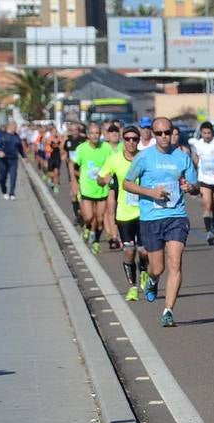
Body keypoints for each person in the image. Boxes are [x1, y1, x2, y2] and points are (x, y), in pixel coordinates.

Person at [122, 116, 200, 327]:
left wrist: (190, 188)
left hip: (176, 216)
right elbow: (127, 184)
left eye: (167, 132)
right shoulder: (144, 157)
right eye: (159, 133)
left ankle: (168, 311)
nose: (164, 137)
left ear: (172, 132)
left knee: (176, 261)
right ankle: (153, 280)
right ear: (153, 135)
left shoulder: (182, 157)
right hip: (151, 218)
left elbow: (195, 185)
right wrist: (150, 192)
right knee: (158, 267)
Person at [99, 124, 148, 302]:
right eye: (127, 139)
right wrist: (102, 180)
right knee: (129, 251)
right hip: (124, 213)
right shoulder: (114, 159)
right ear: (123, 140)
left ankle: (144, 271)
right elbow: (100, 177)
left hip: (145, 211)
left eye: (134, 139)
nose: (131, 142)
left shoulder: (145, 157)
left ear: (138, 140)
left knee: (144, 251)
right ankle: (132, 288)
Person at [72, 122, 114, 253]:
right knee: (89, 217)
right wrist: (75, 182)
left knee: (100, 218)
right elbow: (73, 166)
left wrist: (109, 176)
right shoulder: (81, 149)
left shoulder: (106, 148)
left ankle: (96, 241)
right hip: (87, 188)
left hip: (101, 189)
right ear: (88, 135)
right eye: (92, 133)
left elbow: (112, 164)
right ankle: (87, 227)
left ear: (100, 135)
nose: (95, 136)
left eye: (97, 133)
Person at [192, 121, 214, 244]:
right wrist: (198, 169)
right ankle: (209, 232)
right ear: (201, 133)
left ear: (212, 133)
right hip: (204, 179)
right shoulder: (198, 144)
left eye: (209, 133)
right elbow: (195, 158)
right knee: (207, 205)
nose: (207, 135)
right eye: (204, 133)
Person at [102, 121, 123, 248]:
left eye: (116, 131)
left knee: (119, 208)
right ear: (107, 134)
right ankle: (114, 237)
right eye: (111, 131)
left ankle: (116, 234)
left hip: (122, 181)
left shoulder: (124, 146)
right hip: (109, 181)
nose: (114, 133)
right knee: (110, 209)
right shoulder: (104, 147)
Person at [0, 120, 25, 199]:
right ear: (9, 127)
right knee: (3, 177)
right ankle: (4, 190)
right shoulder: (2, 135)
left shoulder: (16, 136)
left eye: (15, 127)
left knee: (13, 176)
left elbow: (20, 147)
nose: (15, 128)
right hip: (4, 159)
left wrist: (24, 156)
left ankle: (12, 193)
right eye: (14, 127)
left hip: (13, 159)